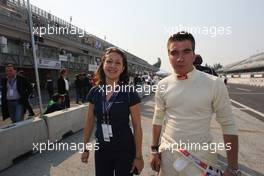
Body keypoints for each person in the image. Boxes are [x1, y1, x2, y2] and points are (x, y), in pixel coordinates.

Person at [150, 32, 240, 176]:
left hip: (201, 161)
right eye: (174, 53)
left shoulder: (214, 84)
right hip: (167, 158)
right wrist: (154, 150)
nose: (180, 58)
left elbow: (228, 124)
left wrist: (233, 168)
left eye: (186, 51)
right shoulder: (162, 84)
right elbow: (158, 118)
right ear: (169, 56)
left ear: (193, 55)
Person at [81, 47, 144, 176]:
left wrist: (138, 157)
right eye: (109, 61)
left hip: (125, 150)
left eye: (117, 63)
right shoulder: (94, 92)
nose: (112, 66)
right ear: (103, 64)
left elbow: (137, 126)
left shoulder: (129, 92)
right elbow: (89, 121)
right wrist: (85, 148)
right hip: (102, 149)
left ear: (123, 68)